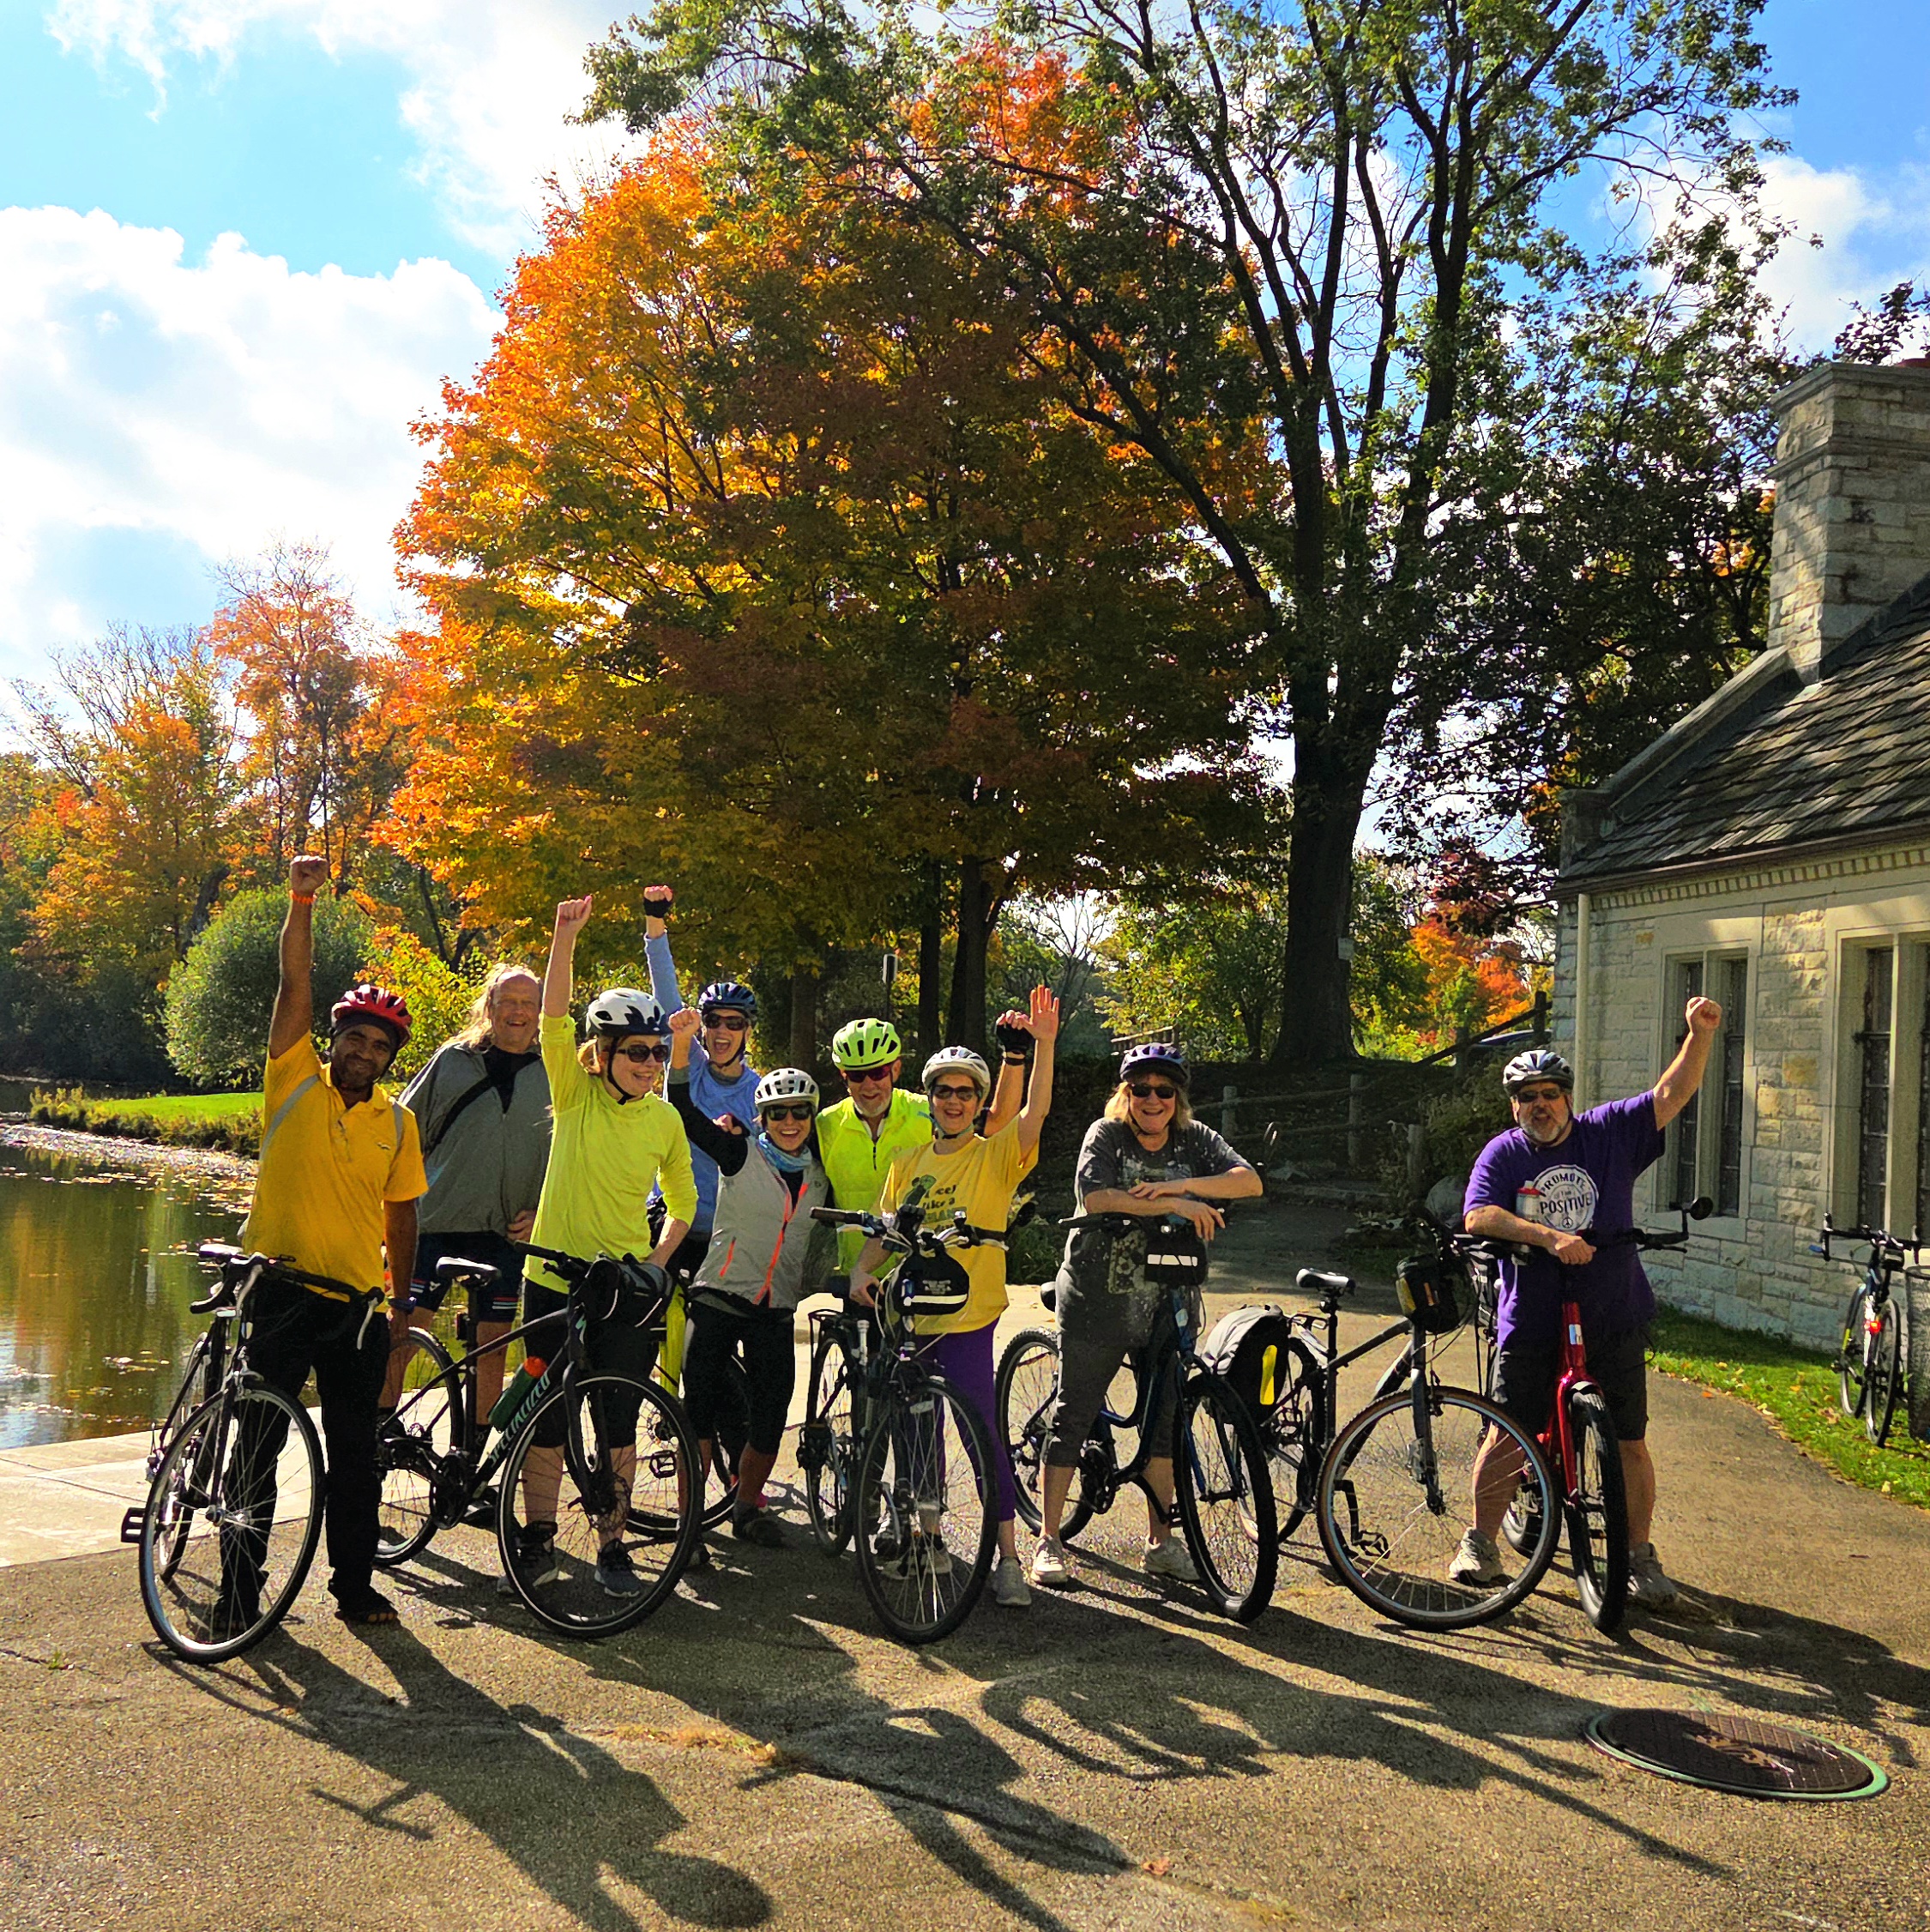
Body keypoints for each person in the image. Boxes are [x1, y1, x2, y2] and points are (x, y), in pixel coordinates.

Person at [1456, 1002, 1722, 1608]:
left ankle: (1638, 1559)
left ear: (1567, 1097)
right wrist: (1549, 1236)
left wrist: (1699, 1035)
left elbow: (1670, 1093)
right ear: (1514, 1107)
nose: (1540, 1105)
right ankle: (1481, 1544)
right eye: (1527, 1097)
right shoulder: (1504, 1154)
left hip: (1612, 1309)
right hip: (1531, 1314)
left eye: (1550, 1093)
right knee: (1508, 1435)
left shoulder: (1608, 1133)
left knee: (1628, 1438)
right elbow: (1478, 1214)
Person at [234, 854, 428, 1627]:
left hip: (355, 1308)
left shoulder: (398, 1123)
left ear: (389, 1059)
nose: (364, 1053)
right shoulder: (294, 1082)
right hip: (280, 1290)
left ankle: (354, 1587)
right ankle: (241, 1595)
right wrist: (302, 901)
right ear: (336, 1039)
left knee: (355, 1457)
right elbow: (295, 988)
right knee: (254, 1451)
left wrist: (403, 1307)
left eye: (380, 1047)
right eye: (355, 1038)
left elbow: (403, 1216)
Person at [508, 893, 697, 1599]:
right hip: (553, 1279)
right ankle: (538, 1535)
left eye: (659, 1051)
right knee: (547, 1416)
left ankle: (613, 1543)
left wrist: (656, 1262)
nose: (652, 1063)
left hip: (620, 1288)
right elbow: (553, 1017)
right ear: (605, 1054)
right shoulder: (576, 1094)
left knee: (617, 1416)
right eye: (639, 1052)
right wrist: (563, 938)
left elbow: (684, 1203)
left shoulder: (664, 1122)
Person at [852, 986, 1059, 1610]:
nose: (952, 1100)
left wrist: (1039, 1049)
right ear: (932, 1098)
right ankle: (930, 1539)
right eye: (943, 1091)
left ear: (976, 1102)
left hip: (968, 1318)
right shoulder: (907, 1159)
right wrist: (863, 1271)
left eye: (966, 1092)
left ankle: (1008, 1557)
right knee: (920, 1436)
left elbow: (1035, 1112)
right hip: (913, 1317)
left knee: (981, 1438)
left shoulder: (994, 1156)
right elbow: (885, 1233)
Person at [1029, 1042, 1263, 1591]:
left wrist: (1180, 1185)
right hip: (1097, 1299)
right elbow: (1097, 1197)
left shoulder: (1194, 1139)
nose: (1152, 1099)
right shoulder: (1105, 1135)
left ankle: (1161, 1542)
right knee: (1076, 1412)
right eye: (1141, 1090)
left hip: (1169, 1300)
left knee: (1165, 1424)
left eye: (1164, 1090)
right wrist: (1174, 1206)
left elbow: (1248, 1182)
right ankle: (1048, 1539)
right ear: (1125, 1094)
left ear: (1177, 1097)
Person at [665, 1009, 835, 1555]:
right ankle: (689, 1523)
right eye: (777, 1113)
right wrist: (682, 1046)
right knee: (700, 1415)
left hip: (775, 1308)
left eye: (799, 1113)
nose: (789, 1122)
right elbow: (685, 1113)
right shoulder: (738, 1153)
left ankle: (746, 1507)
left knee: (770, 1418)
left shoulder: (820, 1173)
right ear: (760, 1117)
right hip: (718, 1298)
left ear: (811, 1118)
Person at [389, 963, 549, 1429]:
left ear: (541, 1012)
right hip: (435, 1222)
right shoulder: (453, 1060)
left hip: (508, 1232)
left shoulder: (555, 1072)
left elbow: (569, 1156)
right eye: (508, 1002)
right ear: (490, 1007)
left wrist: (541, 1211)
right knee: (405, 1328)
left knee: (493, 1343)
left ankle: (475, 1449)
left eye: (528, 1003)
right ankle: (377, 1433)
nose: (517, 1013)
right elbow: (402, 1131)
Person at [817, 1016, 1026, 1276]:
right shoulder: (825, 1125)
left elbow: (997, 1124)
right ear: (843, 1076)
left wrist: (1013, 1057)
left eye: (878, 1072)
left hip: (920, 1273)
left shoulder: (926, 1111)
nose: (868, 1085)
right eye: (858, 1075)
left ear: (895, 1069)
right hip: (860, 1276)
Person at [641, 884, 761, 1283]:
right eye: (713, 1021)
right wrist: (655, 920)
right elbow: (666, 993)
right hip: (667, 1225)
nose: (722, 1032)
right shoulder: (687, 1059)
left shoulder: (759, 1093)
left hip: (724, 1235)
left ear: (747, 1032)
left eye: (735, 1023)